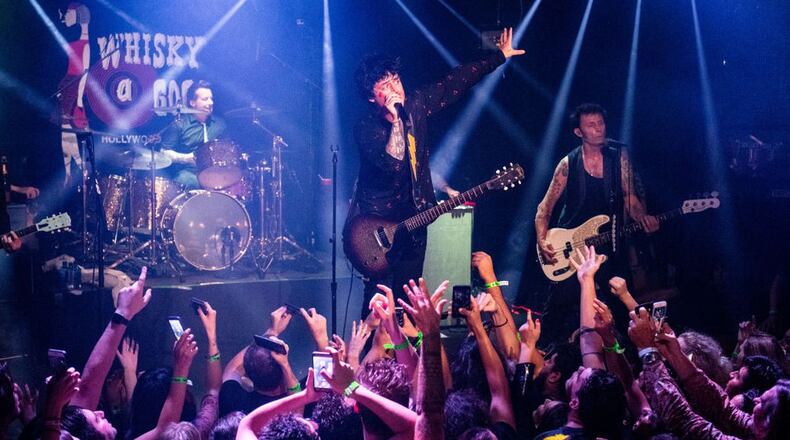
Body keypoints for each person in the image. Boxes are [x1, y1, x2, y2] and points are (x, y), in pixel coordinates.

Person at [349, 27, 524, 306]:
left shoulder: (416, 104)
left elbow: (453, 83)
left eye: (396, 80)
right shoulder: (365, 127)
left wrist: (498, 57)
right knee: (378, 303)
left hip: (415, 221)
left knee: (408, 299)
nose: (395, 89)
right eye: (385, 86)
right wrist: (397, 121)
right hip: (376, 228)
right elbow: (392, 164)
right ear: (372, 96)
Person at [534, 103, 659, 342]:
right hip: (572, 248)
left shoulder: (618, 156)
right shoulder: (568, 164)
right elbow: (543, 209)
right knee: (559, 306)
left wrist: (643, 217)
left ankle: (633, 352)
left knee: (621, 301)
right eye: (591, 125)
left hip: (608, 242)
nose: (599, 129)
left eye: (600, 123)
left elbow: (629, 197)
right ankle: (542, 354)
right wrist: (542, 240)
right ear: (578, 132)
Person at [160, 80, 227, 188]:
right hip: (190, 174)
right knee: (183, 179)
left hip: (216, 174)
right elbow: (164, 152)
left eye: (211, 98)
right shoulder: (180, 124)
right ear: (192, 103)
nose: (210, 102)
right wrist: (186, 158)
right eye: (205, 99)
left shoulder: (220, 125)